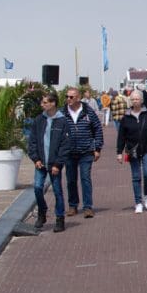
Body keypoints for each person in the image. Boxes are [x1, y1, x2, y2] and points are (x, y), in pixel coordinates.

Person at [26, 91, 70, 232]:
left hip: (54, 163)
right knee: (38, 187)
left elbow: (65, 145)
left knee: (57, 190)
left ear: (53, 103)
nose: (42, 105)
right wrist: (35, 158)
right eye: (42, 102)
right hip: (40, 162)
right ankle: (42, 212)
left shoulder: (62, 121)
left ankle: (60, 218)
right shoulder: (39, 120)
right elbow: (32, 141)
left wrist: (58, 164)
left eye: (45, 102)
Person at [59, 85, 104, 219]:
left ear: (78, 98)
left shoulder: (88, 111)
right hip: (69, 152)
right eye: (67, 97)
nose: (68, 99)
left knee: (85, 178)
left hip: (86, 151)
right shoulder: (62, 113)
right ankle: (73, 205)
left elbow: (97, 129)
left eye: (71, 97)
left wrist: (97, 148)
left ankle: (88, 207)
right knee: (71, 180)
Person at [117, 91, 147, 211]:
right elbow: (121, 136)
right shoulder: (126, 117)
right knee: (136, 176)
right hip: (132, 150)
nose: (135, 101)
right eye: (133, 99)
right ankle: (138, 202)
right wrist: (119, 152)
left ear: (142, 100)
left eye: (137, 99)